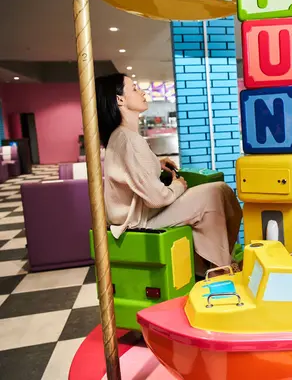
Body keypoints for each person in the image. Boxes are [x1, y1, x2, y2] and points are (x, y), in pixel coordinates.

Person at [95, 73, 243, 274]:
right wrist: (178, 186)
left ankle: (213, 265)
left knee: (218, 195)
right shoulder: (128, 140)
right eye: (134, 88)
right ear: (119, 99)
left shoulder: (122, 137)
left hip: (141, 217)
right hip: (141, 222)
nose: (142, 92)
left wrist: (157, 163)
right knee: (215, 193)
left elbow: (134, 170)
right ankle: (220, 268)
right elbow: (156, 198)